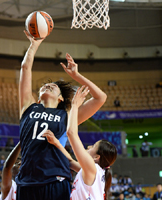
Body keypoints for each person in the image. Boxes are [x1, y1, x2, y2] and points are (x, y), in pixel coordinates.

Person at [15, 31, 107, 200]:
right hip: (26, 181)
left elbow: (100, 98)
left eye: (53, 86)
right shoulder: (28, 107)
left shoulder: (67, 115)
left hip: (55, 180)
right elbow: (25, 68)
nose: (47, 85)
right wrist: (34, 45)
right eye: (44, 85)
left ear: (60, 99)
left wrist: (76, 76)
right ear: (38, 95)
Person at [43, 86, 117, 200]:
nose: (89, 146)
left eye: (93, 146)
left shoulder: (93, 169)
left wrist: (75, 106)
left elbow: (71, 132)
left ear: (96, 157)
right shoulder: (93, 171)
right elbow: (70, 162)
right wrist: (57, 143)